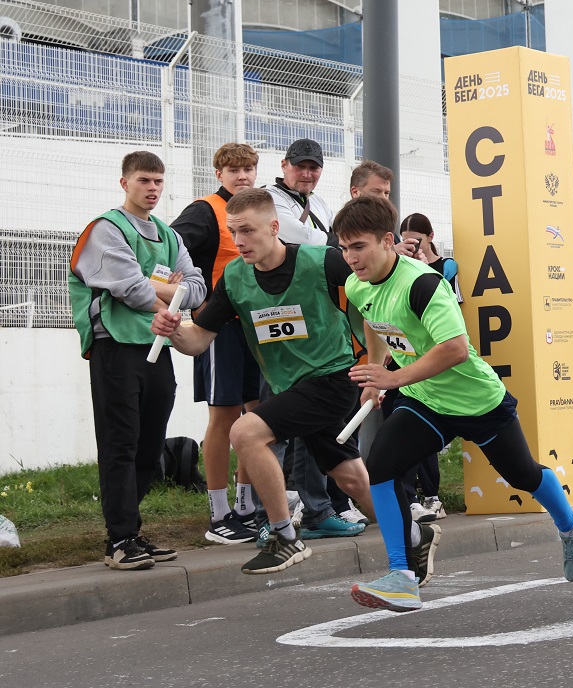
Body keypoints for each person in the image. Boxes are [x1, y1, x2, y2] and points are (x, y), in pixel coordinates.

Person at [331, 196, 573, 611]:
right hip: (425, 398)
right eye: (344, 248)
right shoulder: (359, 283)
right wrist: (374, 374)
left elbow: (453, 348)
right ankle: (402, 575)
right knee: (379, 465)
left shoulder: (422, 284)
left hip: (475, 400)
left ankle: (570, 523)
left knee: (522, 474)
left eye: (358, 246)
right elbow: (373, 321)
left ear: (386, 240)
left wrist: (394, 377)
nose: (351, 258)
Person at [150, 189, 378, 575]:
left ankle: (284, 535)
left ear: (274, 228)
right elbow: (198, 340)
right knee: (352, 478)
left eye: (248, 231)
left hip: (331, 379)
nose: (239, 241)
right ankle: (408, 531)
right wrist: (173, 329)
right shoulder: (235, 278)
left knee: (246, 432)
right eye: (233, 231)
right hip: (291, 388)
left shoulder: (323, 261)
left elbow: (374, 306)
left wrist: (376, 369)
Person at [68, 150, 206, 569]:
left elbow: (198, 288)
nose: (152, 188)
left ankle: (131, 531)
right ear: (124, 182)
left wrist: (164, 291)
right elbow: (130, 287)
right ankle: (119, 540)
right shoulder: (106, 229)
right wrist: (169, 293)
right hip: (116, 349)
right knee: (120, 444)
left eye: (158, 181)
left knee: (150, 446)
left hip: (158, 348)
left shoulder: (168, 235)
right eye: (144, 180)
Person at [264, 138, 365, 540]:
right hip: (282, 321)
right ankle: (277, 515)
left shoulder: (320, 204)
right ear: (284, 165)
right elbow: (315, 245)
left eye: (315, 167)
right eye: (301, 166)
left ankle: (318, 508)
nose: (308, 173)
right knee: (272, 424)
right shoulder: (270, 200)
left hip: (318, 321)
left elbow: (328, 247)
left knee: (317, 425)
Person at [170, 142, 264, 543]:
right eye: (234, 171)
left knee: (257, 417)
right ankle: (219, 512)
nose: (242, 177)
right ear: (219, 175)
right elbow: (171, 245)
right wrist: (197, 298)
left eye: (248, 170)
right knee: (223, 417)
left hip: (257, 327)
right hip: (220, 329)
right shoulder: (205, 210)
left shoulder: (258, 208)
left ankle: (246, 505)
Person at [395, 211, 470, 517]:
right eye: (406, 242)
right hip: (407, 359)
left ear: (430, 238)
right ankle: (408, 496)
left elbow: (454, 308)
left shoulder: (445, 267)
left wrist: (426, 271)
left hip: (438, 358)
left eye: (418, 241)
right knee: (405, 429)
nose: (413, 247)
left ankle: (432, 495)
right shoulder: (397, 268)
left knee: (429, 431)